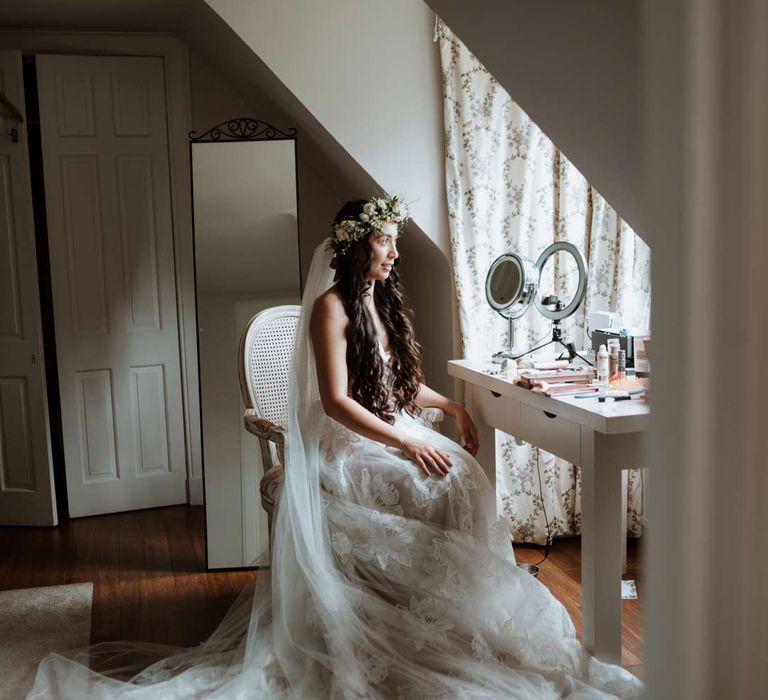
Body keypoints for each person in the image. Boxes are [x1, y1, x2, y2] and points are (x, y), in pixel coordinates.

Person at [29, 195, 643, 699]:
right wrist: (403, 440)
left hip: (386, 423)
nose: (396, 253)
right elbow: (337, 401)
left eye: (396, 241)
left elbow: (397, 386)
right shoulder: (329, 308)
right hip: (347, 440)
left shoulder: (381, 303)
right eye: (386, 242)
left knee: (458, 472)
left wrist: (450, 406)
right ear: (357, 246)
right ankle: (394, 617)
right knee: (416, 476)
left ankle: (447, 615)